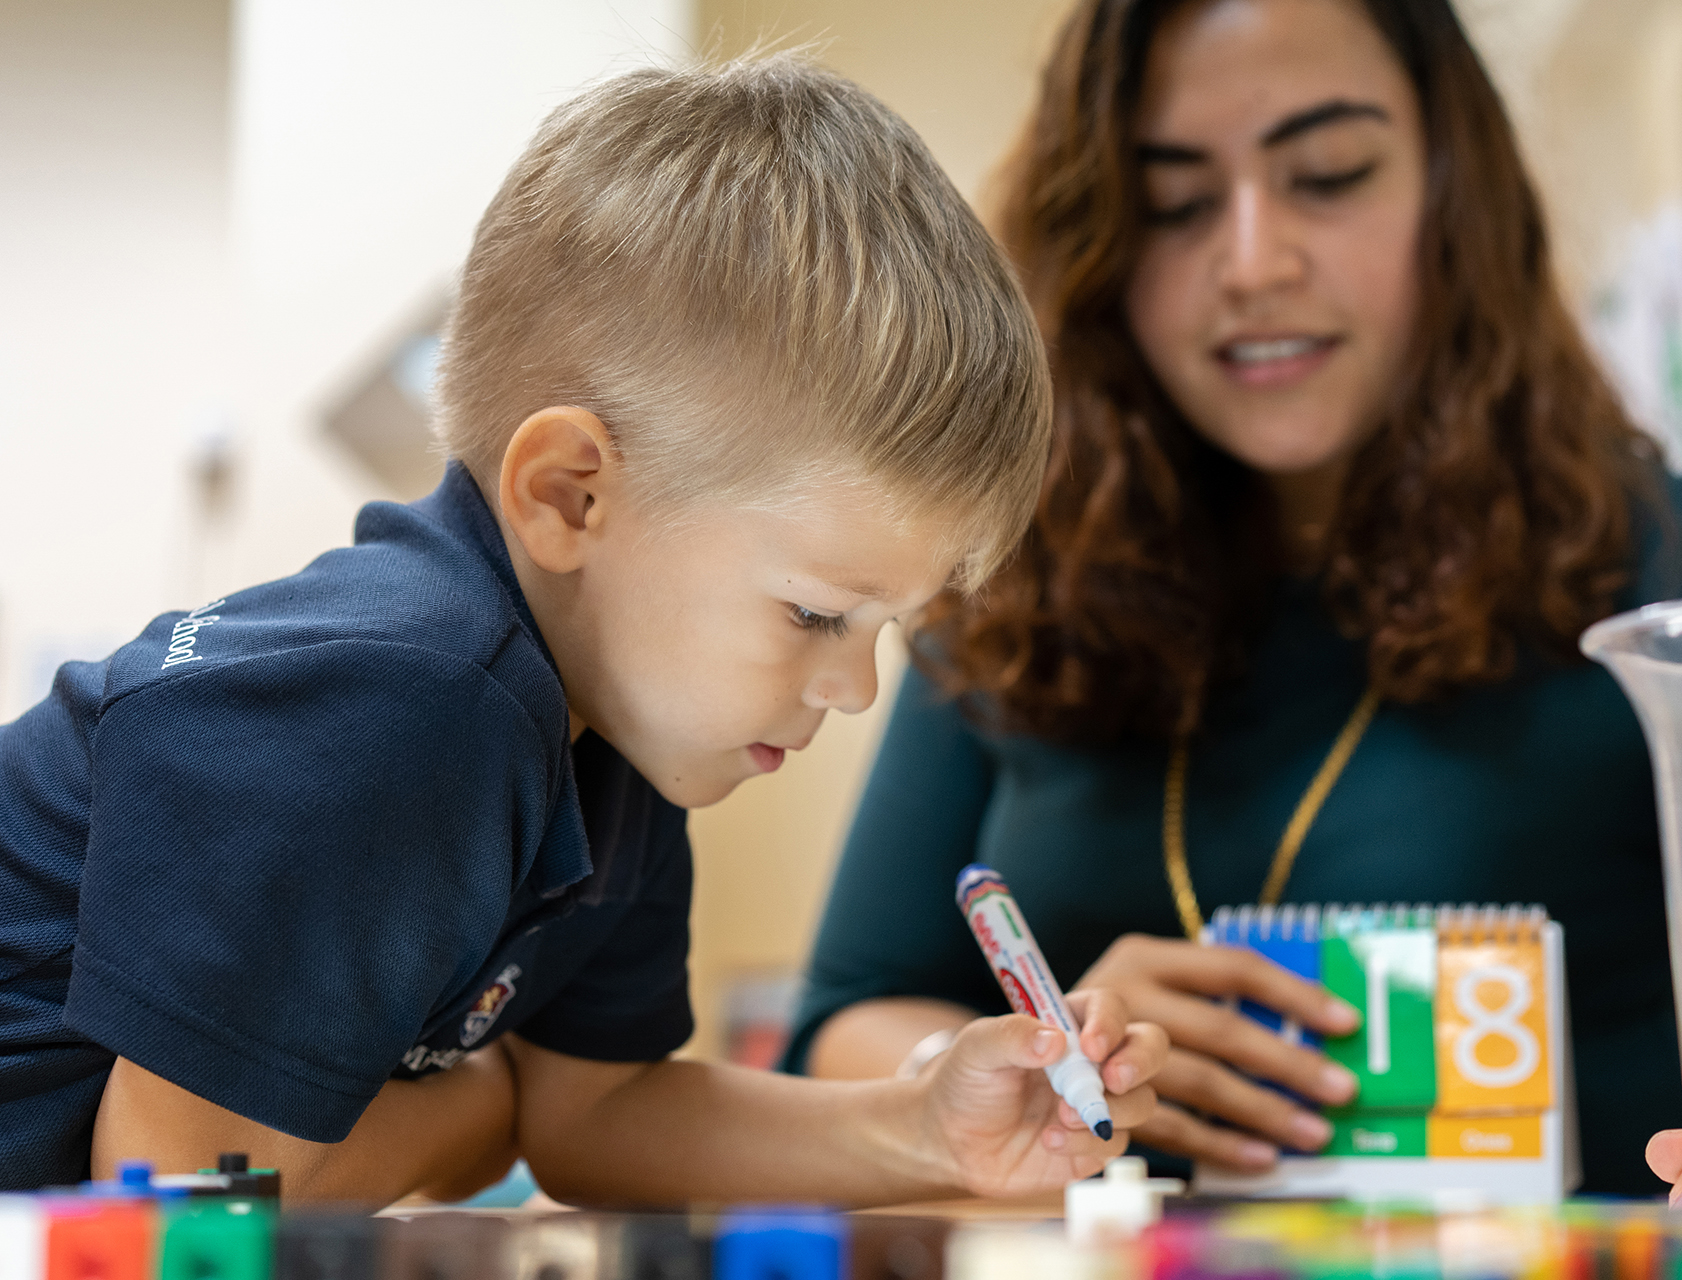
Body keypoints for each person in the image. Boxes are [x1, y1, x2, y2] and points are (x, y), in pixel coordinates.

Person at [0, 55, 1171, 1203]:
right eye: (818, 612)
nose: (857, 688)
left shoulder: (618, 744)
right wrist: (482, 1106)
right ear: (570, 493)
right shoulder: (405, 698)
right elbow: (187, 1206)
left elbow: (596, 1113)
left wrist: (923, 1129)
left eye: (886, 627)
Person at [782, 0, 1682, 1197]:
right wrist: (1027, 1047)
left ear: (1454, 194)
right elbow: (833, 1034)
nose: (1255, 261)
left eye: (1327, 175)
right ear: (1102, 245)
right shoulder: (1018, 596)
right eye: (1174, 203)